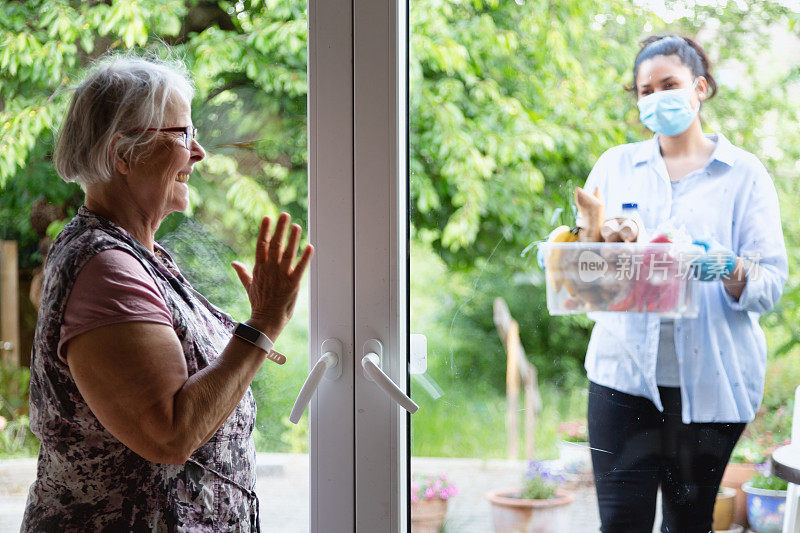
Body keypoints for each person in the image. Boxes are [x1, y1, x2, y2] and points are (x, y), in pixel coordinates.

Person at [21, 54, 313, 531]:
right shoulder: (106, 269)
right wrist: (262, 325)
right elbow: (170, 434)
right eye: (182, 135)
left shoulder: (138, 255)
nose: (198, 153)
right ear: (122, 153)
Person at [580, 35, 788, 533]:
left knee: (689, 523)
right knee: (620, 524)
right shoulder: (615, 167)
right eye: (644, 90)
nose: (654, 98)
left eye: (668, 84)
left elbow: (771, 281)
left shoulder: (744, 176)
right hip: (621, 379)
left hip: (712, 385)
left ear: (700, 87)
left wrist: (729, 268)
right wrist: (596, 255)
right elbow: (586, 272)